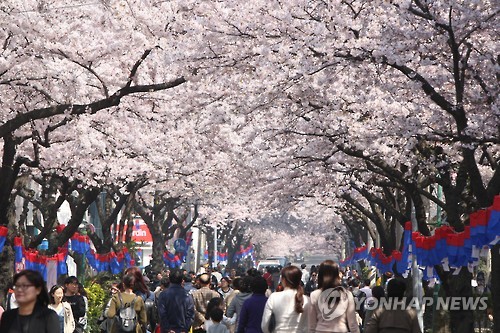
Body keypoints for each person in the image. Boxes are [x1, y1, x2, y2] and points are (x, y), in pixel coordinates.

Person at [307, 260, 360, 333]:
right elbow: (353, 324)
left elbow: (312, 326)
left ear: (320, 275)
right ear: (337, 275)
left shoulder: (314, 295)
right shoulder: (346, 295)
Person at [261, 265, 309, 333]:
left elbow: (265, 326)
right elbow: (309, 326)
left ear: (283, 280)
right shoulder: (307, 300)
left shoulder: (274, 297)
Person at [157, 269, 194, 333]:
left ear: (169, 279)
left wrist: (168, 329)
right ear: (182, 280)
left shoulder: (163, 295)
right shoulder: (188, 296)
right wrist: (185, 329)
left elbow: (162, 314)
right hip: (182, 330)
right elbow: (190, 315)